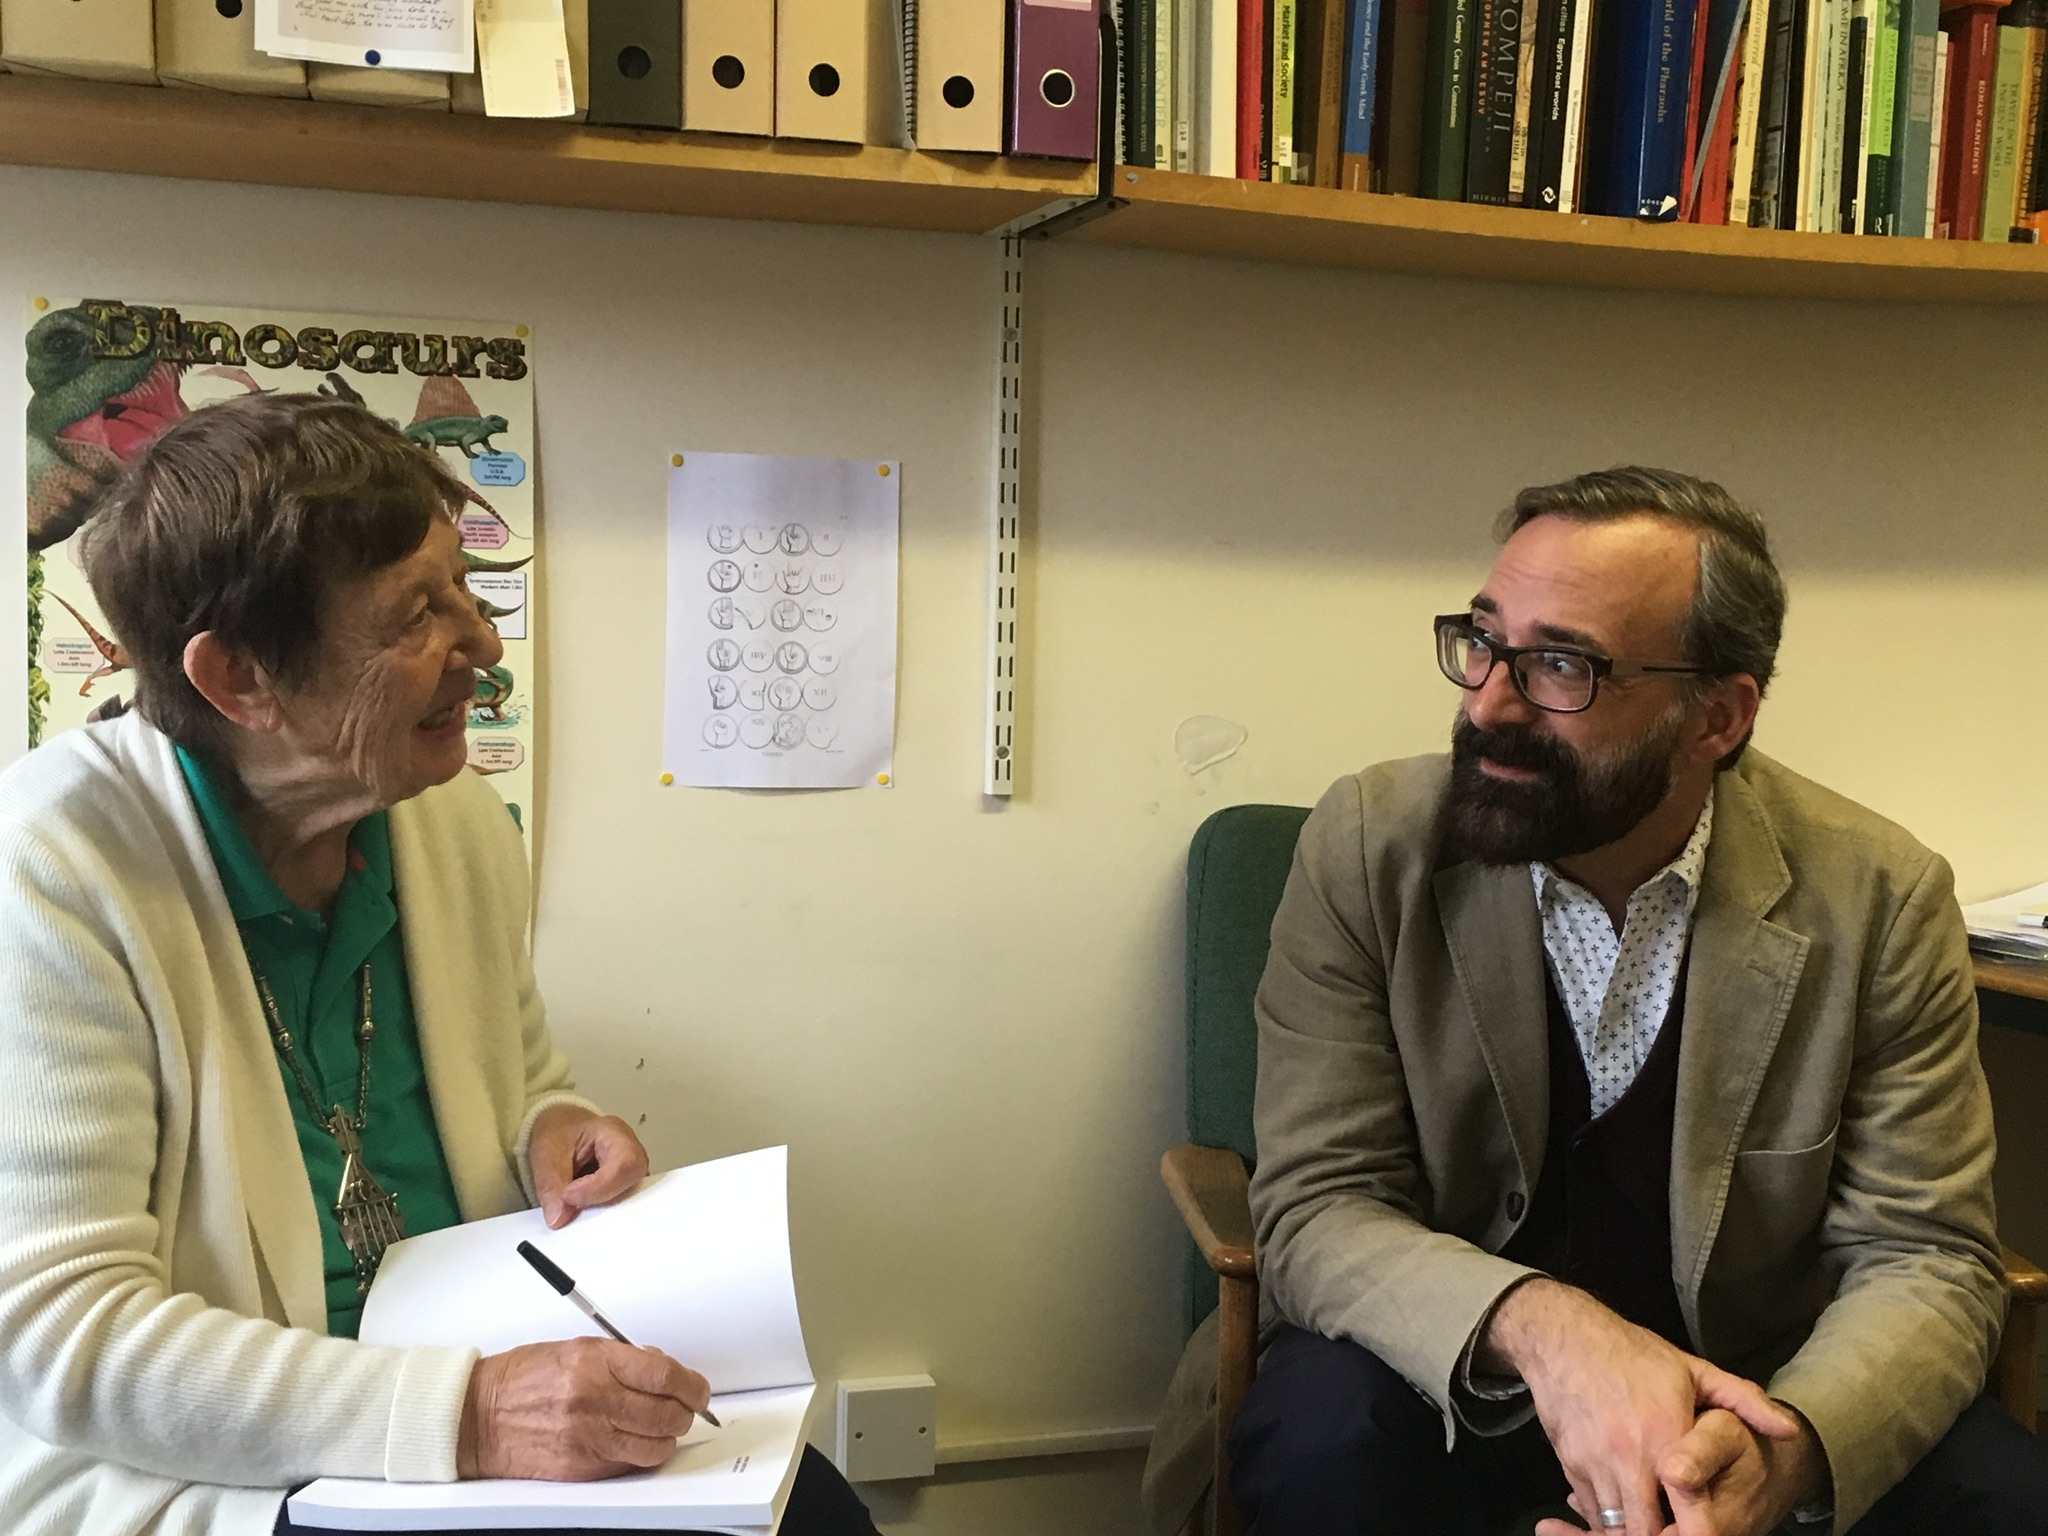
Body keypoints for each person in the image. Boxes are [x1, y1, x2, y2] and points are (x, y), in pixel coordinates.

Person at [0, 392, 879, 1536]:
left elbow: (521, 1074)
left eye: (461, 586)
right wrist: (466, 1416)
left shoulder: (443, 813)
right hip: (219, 1471)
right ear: (240, 680)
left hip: (469, 1391)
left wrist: (551, 1131)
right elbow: (57, 1334)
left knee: (814, 1516)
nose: (481, 642)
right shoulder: (52, 867)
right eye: (416, 612)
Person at [1203, 469, 2048, 1536]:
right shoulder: (1369, 845)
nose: (1485, 703)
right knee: (1322, 1435)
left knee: (2005, 1498)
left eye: (1560, 664)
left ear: (1717, 717)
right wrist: (1549, 1330)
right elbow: (1320, 1207)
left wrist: (1767, 1459)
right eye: (1482, 641)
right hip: (1450, 1377)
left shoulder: (1875, 896)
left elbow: (1922, 1251)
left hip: (1746, 1390)